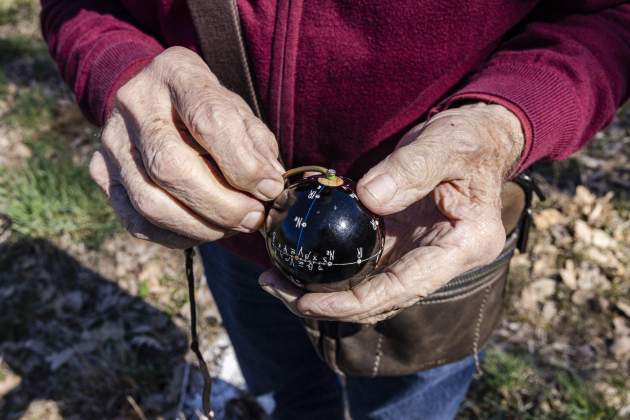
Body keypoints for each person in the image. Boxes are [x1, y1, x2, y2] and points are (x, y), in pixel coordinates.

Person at [41, 1, 630, 418]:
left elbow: (608, 17)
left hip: (436, 234)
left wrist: (508, 120)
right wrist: (121, 68)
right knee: (286, 392)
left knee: (411, 406)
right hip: (239, 231)